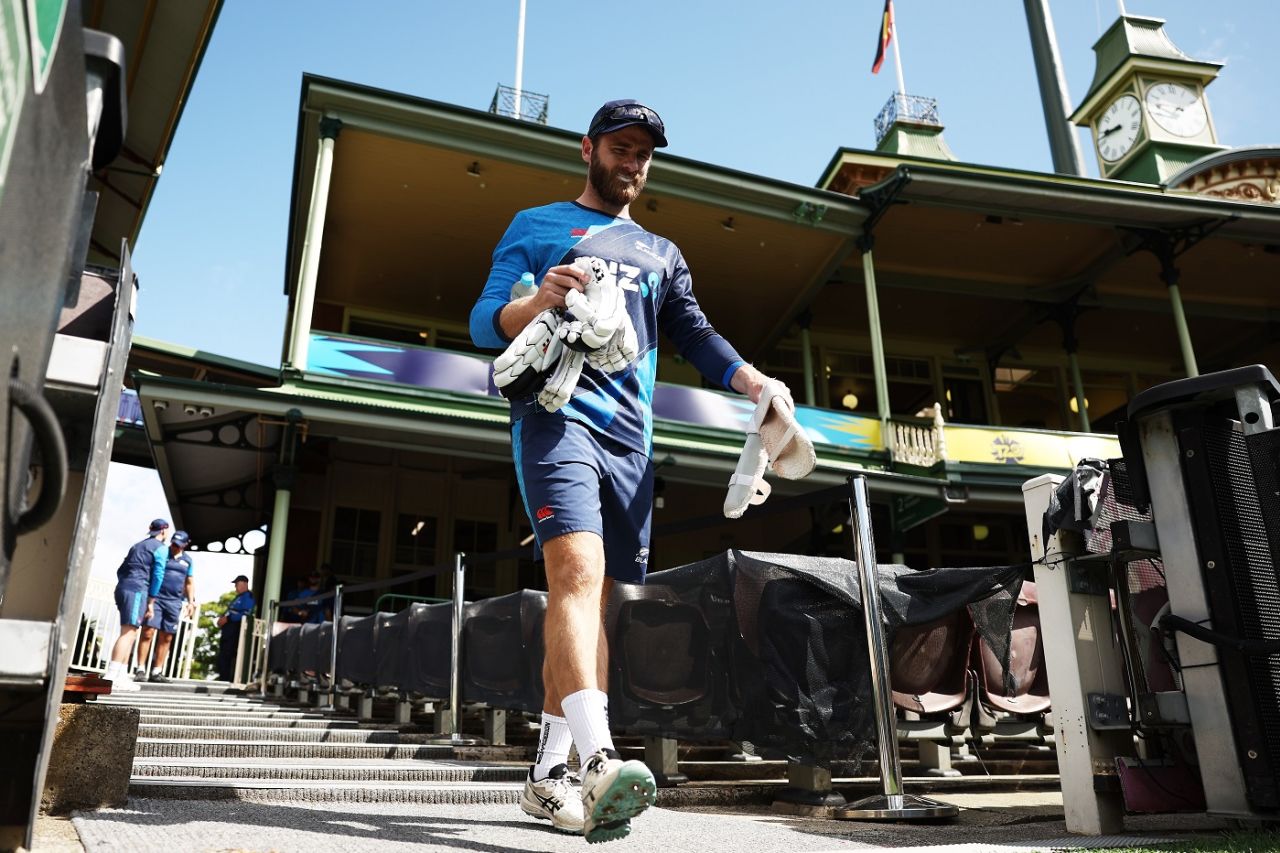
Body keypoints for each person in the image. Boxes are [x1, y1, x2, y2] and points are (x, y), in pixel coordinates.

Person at [469, 99, 779, 843]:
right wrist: (536, 300)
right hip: (555, 416)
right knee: (573, 575)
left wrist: (756, 384)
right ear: (589, 150)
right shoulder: (535, 226)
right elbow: (484, 321)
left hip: (631, 442)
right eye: (621, 147)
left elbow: (696, 335)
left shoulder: (664, 254)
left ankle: (547, 776)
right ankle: (600, 758)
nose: (633, 161)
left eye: (644, 151)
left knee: (597, 602)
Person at [104, 519, 170, 691]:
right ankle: (111, 676)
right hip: (138, 589)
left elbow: (121, 569)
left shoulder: (137, 546)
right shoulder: (161, 548)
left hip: (123, 587)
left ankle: (121, 675)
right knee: (128, 633)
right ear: (164, 531)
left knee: (130, 633)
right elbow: (158, 575)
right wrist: (151, 600)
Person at [136, 530, 195, 683]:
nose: (175, 547)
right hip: (156, 599)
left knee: (167, 636)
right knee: (148, 632)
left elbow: (189, 582)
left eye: (179, 545)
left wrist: (191, 602)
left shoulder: (188, 560)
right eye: (174, 543)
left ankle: (157, 671)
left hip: (174, 602)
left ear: (186, 545)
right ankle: (140, 669)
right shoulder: (162, 554)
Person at [216, 574, 256, 681]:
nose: (236, 587)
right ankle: (223, 678)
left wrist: (228, 619)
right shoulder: (237, 597)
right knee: (223, 656)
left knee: (230, 655)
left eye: (237, 584)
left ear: (244, 584)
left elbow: (246, 614)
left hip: (236, 630)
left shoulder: (248, 597)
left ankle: (228, 679)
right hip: (228, 631)